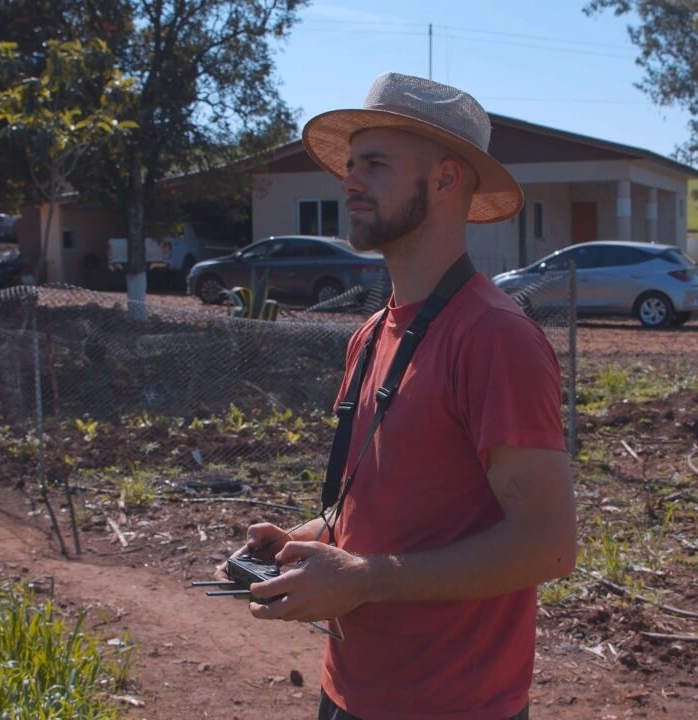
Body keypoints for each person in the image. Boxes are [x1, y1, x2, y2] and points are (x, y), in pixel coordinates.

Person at [223, 73, 577, 719]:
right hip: (352, 688)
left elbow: (547, 544)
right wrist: (302, 544)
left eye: (376, 164)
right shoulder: (371, 333)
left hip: (453, 704)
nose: (350, 181)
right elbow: (388, 506)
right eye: (351, 164)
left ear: (445, 180)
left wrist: (362, 581)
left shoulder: (494, 337)